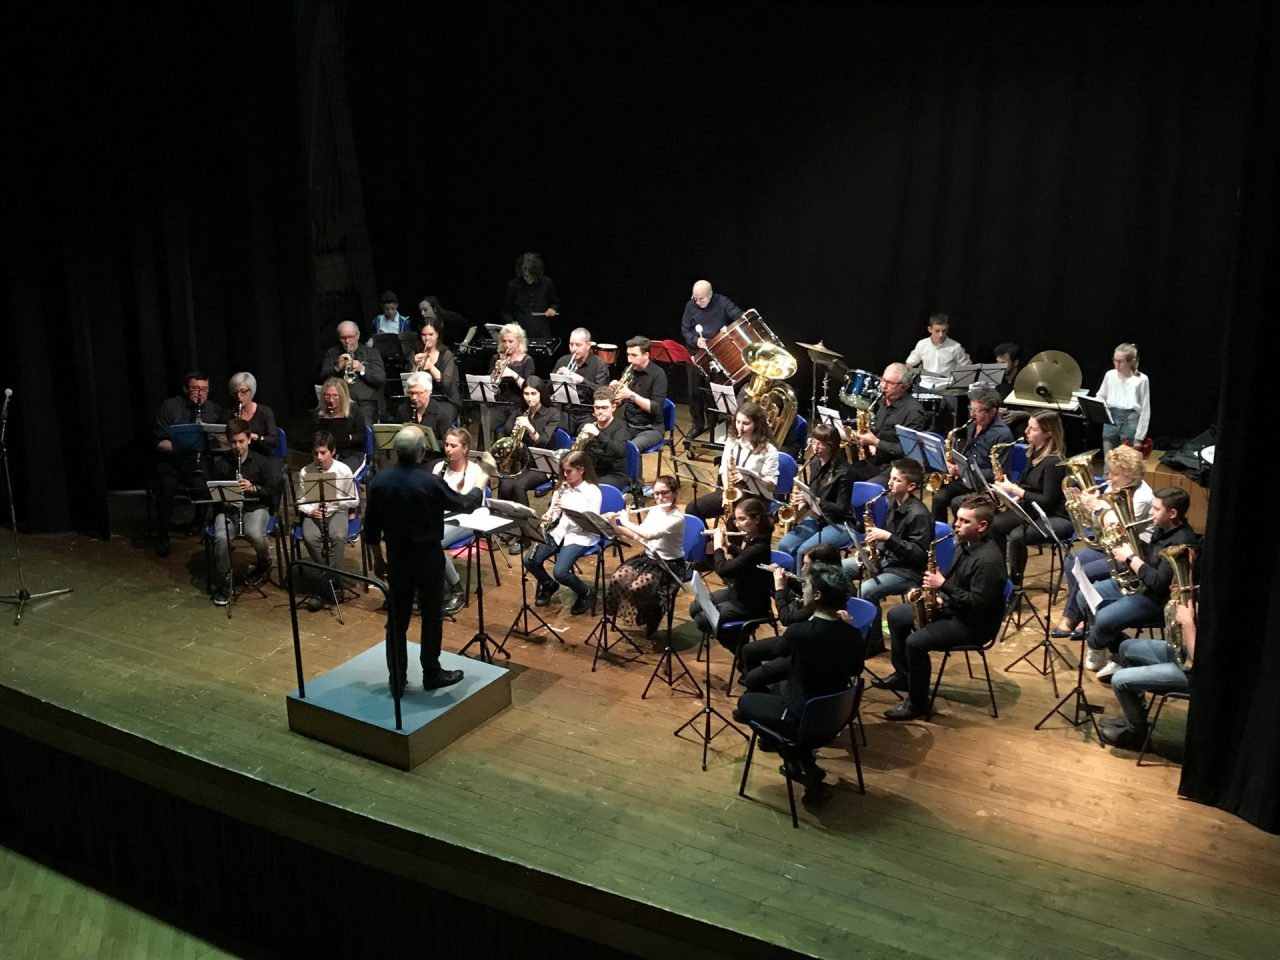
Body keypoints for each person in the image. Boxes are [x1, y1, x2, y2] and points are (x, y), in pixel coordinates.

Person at [363, 426, 482, 695]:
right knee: (431, 617)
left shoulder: (379, 481)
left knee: (397, 622)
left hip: (397, 558)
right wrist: (479, 486)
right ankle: (431, 673)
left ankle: (397, 679)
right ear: (422, 451)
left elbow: (370, 529)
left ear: (395, 450)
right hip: (427, 558)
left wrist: (378, 560)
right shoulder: (429, 482)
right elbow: (463, 504)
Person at [732, 561, 865, 789]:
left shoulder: (801, 633)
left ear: (818, 595)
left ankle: (794, 753)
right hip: (836, 715)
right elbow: (854, 669)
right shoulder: (852, 633)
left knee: (743, 705)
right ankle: (804, 762)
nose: (804, 590)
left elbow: (778, 650)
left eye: (807, 587)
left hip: (803, 717)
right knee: (773, 684)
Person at [880, 495, 1007, 721]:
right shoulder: (964, 544)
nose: (956, 525)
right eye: (957, 519)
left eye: (964, 521)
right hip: (955, 608)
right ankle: (904, 675)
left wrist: (943, 586)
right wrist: (937, 596)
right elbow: (957, 585)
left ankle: (918, 703)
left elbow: (979, 604)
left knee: (915, 643)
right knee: (897, 615)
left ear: (982, 526)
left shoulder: (988, 561)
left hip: (973, 624)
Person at [1082, 487, 1199, 677]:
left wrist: (1130, 558)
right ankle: (1117, 653)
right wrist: (1126, 542)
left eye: (1155, 508)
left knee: (1103, 618)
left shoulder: (1182, 542)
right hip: (1142, 585)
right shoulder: (1161, 530)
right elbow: (1151, 561)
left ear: (1172, 513)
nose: (1151, 512)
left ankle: (1102, 648)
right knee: (1085, 596)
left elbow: (1159, 583)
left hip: (1159, 600)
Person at [1053, 444, 1155, 637]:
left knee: (1088, 571)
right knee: (1072, 561)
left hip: (1134, 552)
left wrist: (1098, 507)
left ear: (1130, 474)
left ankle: (1080, 619)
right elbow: (1099, 525)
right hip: (1110, 545)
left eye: (1115, 474)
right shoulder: (1115, 486)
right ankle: (1079, 615)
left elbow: (1120, 528)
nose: (1108, 478)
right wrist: (1084, 507)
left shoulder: (1143, 496)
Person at [844, 458, 934, 654]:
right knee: (840, 569)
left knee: (866, 590)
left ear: (911, 486)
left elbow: (918, 555)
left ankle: (872, 642)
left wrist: (888, 537)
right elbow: (890, 538)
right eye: (891, 478)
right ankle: (857, 626)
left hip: (907, 571)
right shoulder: (892, 501)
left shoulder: (919, 515)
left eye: (896, 480)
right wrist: (875, 548)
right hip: (889, 560)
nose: (889, 483)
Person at [739, 543, 844, 693]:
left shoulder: (822, 600)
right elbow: (804, 591)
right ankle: (756, 688)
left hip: (807, 652)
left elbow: (787, 619)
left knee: (754, 674)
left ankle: (763, 694)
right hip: (807, 638)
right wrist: (786, 578)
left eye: (807, 565)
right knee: (749, 650)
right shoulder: (829, 584)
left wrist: (780, 589)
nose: (802, 569)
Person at [987, 411, 1074, 587]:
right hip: (1033, 508)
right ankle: (999, 577)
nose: (1026, 431)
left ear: (1048, 433)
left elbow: (1048, 501)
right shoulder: (1034, 452)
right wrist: (1010, 494)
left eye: (1032, 429)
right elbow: (1029, 486)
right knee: (994, 524)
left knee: (1017, 536)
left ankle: (1016, 584)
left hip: (1055, 516)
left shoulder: (1054, 462)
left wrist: (1014, 490)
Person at [1099, 599, 1195, 749]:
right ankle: (1135, 717)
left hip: (1196, 674)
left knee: (1119, 679)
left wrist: (1188, 624)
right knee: (1126, 648)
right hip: (1186, 653)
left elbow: (1200, 658)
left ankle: (1136, 734)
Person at [152, 371, 225, 557]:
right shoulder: (170, 406)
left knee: (212, 483)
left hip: (200, 461)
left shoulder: (214, 409)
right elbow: (160, 443)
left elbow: (222, 440)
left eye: (204, 389)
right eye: (195, 389)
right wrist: (183, 447)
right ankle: (163, 535)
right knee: (165, 488)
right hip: (173, 461)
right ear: (186, 389)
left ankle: (201, 525)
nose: (200, 394)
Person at [208, 418, 279, 606]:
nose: (237, 446)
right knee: (221, 538)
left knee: (254, 533)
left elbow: (272, 490)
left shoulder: (262, 462)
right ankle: (225, 584)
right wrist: (227, 501)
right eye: (233, 442)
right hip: (229, 509)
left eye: (241, 441)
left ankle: (264, 563)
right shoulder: (222, 464)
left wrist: (253, 488)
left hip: (256, 506)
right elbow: (213, 494)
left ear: (248, 439)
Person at [605, 474, 686, 636]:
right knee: (618, 578)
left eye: (665, 493)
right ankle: (644, 609)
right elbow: (639, 537)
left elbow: (649, 535)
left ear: (675, 493)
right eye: (656, 494)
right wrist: (615, 525)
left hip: (668, 564)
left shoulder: (677, 518)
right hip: (648, 558)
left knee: (637, 587)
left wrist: (626, 520)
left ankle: (652, 613)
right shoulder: (655, 511)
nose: (660, 498)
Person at [688, 496, 774, 648]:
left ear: (757, 519)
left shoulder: (760, 546)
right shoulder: (755, 537)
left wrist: (718, 548)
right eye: (736, 520)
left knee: (703, 620)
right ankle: (737, 638)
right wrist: (728, 545)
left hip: (751, 603)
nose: (737, 524)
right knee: (695, 606)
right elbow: (745, 558)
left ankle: (741, 652)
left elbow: (724, 570)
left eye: (742, 519)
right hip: (739, 591)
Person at [525, 451, 603, 616]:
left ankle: (586, 593)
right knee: (529, 560)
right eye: (563, 471)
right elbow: (554, 512)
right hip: (559, 531)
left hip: (581, 535)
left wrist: (570, 507)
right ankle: (548, 585)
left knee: (560, 572)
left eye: (569, 471)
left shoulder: (592, 492)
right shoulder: (562, 488)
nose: (565, 475)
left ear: (581, 470)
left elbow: (591, 522)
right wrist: (549, 515)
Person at [295, 430, 360, 613]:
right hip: (314, 513)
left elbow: (355, 500)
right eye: (316, 453)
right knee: (309, 536)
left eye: (323, 453)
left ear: (332, 451)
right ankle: (332, 582)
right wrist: (311, 510)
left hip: (337, 512)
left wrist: (338, 501)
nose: (319, 457)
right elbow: (301, 501)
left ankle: (326, 584)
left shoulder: (343, 470)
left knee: (338, 536)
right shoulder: (305, 472)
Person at [930, 385, 1015, 522]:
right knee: (939, 497)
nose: (971, 415)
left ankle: (963, 537)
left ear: (992, 411)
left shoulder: (1002, 435)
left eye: (977, 411)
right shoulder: (973, 425)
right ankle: (941, 535)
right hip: (967, 480)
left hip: (985, 487)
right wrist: (952, 464)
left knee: (957, 503)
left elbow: (999, 474)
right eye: (971, 409)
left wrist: (963, 470)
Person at [685, 401, 779, 524]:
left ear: (756, 424)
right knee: (693, 508)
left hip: (756, 497)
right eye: (738, 422)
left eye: (746, 424)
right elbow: (724, 468)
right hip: (733, 491)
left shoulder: (769, 450)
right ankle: (708, 542)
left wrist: (747, 477)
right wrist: (726, 492)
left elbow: (771, 485)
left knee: (733, 520)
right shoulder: (732, 441)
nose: (740, 427)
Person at [432, 427, 490, 616]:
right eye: (447, 445)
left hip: (467, 520)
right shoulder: (438, 468)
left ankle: (456, 589)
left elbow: (473, 505)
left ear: (464, 448)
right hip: (442, 517)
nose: (448, 449)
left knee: (434, 543)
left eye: (453, 446)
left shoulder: (475, 471)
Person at [777, 423, 853, 564]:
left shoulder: (844, 472)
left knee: (803, 551)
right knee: (784, 545)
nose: (815, 447)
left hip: (840, 524)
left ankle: (803, 585)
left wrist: (816, 501)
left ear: (831, 446)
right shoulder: (814, 464)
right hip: (818, 518)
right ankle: (787, 582)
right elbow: (812, 493)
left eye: (821, 444)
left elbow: (842, 509)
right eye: (813, 442)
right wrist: (800, 506)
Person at [846, 362, 930, 484]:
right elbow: (877, 430)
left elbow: (909, 450)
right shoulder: (883, 401)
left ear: (903, 386)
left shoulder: (914, 412)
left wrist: (876, 442)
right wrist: (862, 438)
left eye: (889, 383)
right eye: (883, 380)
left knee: (869, 486)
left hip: (898, 467)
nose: (883, 386)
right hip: (878, 459)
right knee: (844, 472)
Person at [681, 280, 743, 441]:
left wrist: (727, 331)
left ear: (710, 295)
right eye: (696, 298)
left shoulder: (722, 302)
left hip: (716, 352)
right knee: (694, 392)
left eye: (701, 298)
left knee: (712, 392)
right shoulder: (690, 306)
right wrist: (696, 340)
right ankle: (697, 425)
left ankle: (714, 423)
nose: (698, 301)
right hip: (696, 353)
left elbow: (739, 317)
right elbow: (685, 329)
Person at [494, 377, 562, 520]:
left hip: (542, 464)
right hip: (521, 461)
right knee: (505, 483)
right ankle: (507, 521)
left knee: (519, 486)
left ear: (541, 394)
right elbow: (505, 430)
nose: (529, 397)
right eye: (526, 393)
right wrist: (513, 431)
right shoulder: (520, 410)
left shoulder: (552, 414)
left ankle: (527, 528)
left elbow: (544, 442)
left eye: (533, 393)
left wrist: (530, 428)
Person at [320, 321, 386, 424]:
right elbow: (323, 379)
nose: (347, 342)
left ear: (358, 335)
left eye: (351, 337)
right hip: (340, 401)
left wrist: (362, 369)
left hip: (365, 402)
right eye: (343, 338)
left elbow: (381, 379)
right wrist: (337, 367)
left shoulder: (371, 353)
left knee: (365, 426)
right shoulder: (332, 353)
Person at [614, 336, 668, 452]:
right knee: (605, 441)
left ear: (646, 355)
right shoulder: (629, 371)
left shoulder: (658, 374)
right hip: (628, 424)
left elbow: (656, 408)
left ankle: (633, 471)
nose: (629, 360)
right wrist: (614, 394)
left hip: (651, 429)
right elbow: (619, 403)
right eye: (628, 355)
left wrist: (631, 395)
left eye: (634, 355)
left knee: (631, 449)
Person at [551, 327, 611, 431]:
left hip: (588, 412)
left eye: (578, 345)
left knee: (585, 434)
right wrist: (556, 378)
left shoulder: (599, 365)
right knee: (556, 431)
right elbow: (548, 391)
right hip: (566, 409)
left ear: (588, 345)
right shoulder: (563, 361)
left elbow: (603, 394)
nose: (573, 349)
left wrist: (582, 381)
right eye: (571, 344)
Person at [1096, 342, 1151, 454]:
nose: (1117, 364)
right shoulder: (1110, 375)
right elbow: (1101, 396)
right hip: (1111, 420)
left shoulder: (1141, 379)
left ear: (1132, 361)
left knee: (1127, 463)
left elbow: (1145, 410)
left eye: (1121, 361)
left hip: (1130, 422)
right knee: (1109, 460)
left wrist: (1139, 437)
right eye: (1115, 360)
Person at [486, 322, 538, 439]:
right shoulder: (496, 358)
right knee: (485, 425)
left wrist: (514, 375)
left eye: (511, 341)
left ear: (519, 342)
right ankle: (483, 456)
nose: (507, 345)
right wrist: (495, 371)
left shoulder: (527, 360)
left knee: (509, 429)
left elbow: (528, 387)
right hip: (500, 404)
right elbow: (489, 385)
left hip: (518, 405)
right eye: (504, 341)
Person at [410, 315, 462, 423]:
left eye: (431, 334)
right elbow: (410, 382)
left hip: (445, 399)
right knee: (404, 410)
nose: (427, 338)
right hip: (422, 398)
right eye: (424, 335)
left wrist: (431, 367)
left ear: (437, 334)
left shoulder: (446, 354)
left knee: (434, 415)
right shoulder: (415, 353)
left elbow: (446, 384)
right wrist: (415, 365)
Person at [577, 387, 630, 490]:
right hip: (593, 472)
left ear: (613, 407)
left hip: (614, 474)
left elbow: (619, 451)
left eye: (604, 408)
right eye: (597, 408)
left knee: (590, 490)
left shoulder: (620, 426)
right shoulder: (590, 425)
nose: (600, 412)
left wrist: (598, 435)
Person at [313, 378, 369, 473]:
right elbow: (313, 436)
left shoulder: (354, 410)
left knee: (342, 473)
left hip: (350, 453)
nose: (331, 400)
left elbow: (362, 435)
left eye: (335, 396)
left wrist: (347, 438)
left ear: (343, 396)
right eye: (327, 396)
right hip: (327, 453)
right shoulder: (319, 413)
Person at [502, 251, 559, 339]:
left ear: (537, 273)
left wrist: (553, 309)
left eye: (531, 275)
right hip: (521, 336)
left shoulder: (547, 283)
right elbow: (506, 311)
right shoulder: (513, 285)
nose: (528, 278)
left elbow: (555, 302)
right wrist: (512, 324)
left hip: (542, 333)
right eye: (525, 275)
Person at [392, 372, 453, 452]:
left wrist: (425, 442)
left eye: (419, 393)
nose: (414, 398)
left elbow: (447, 444)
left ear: (429, 391)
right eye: (411, 393)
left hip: (433, 457)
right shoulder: (403, 409)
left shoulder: (442, 413)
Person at [227, 372, 278, 459]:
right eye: (235, 392)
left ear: (251, 391)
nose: (238, 396)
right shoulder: (230, 414)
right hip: (240, 457)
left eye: (243, 391)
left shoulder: (265, 412)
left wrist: (256, 437)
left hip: (263, 456)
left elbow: (274, 440)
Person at [905, 312, 971, 379]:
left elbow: (967, 368)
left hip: (946, 385)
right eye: (937, 331)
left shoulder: (956, 347)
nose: (940, 335)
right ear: (929, 329)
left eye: (944, 331)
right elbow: (909, 364)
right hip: (925, 385)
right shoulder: (922, 344)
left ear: (947, 329)